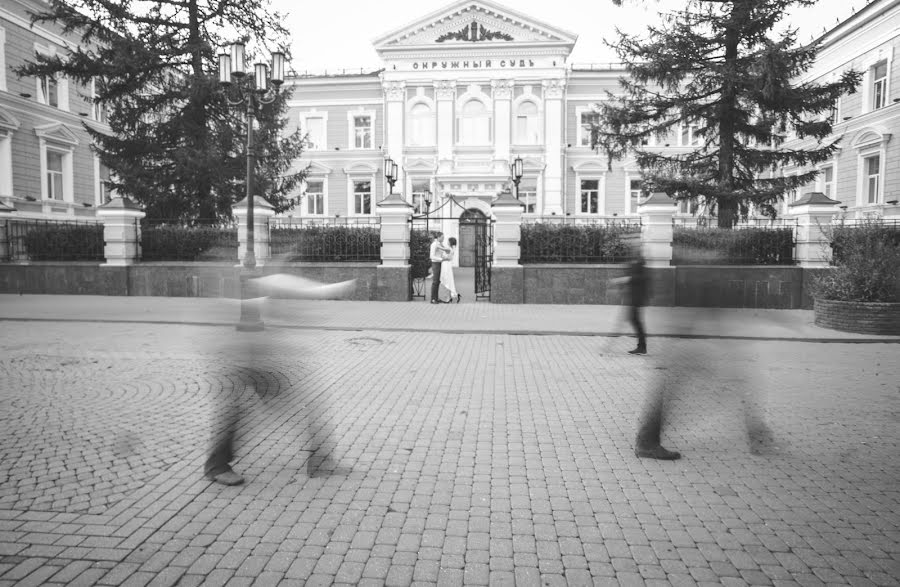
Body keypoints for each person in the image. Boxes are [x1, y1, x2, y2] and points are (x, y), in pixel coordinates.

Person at [429, 232, 451, 304]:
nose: (443, 238)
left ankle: (436, 298)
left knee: (438, 281)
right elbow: (431, 256)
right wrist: (441, 259)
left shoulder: (441, 245)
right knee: (435, 282)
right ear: (438, 237)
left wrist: (446, 257)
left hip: (440, 264)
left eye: (443, 237)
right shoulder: (434, 244)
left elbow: (442, 254)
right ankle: (433, 299)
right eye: (442, 237)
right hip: (435, 264)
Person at [439, 237, 460, 303]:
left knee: (447, 281)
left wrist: (437, 245)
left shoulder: (448, 249)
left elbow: (442, 250)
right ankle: (452, 296)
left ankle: (448, 298)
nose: (447, 241)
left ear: (450, 242)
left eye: (448, 241)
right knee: (448, 280)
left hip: (446, 265)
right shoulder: (451, 248)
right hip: (447, 265)